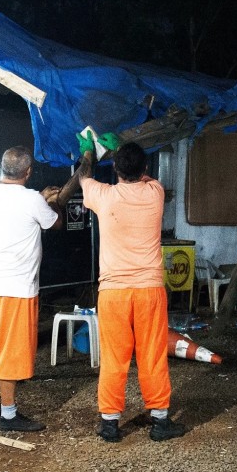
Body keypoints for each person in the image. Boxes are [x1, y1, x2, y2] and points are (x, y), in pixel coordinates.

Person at [77, 136, 186, 443]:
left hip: (113, 292)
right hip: (149, 289)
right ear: (146, 168)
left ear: (114, 168)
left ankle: (110, 423)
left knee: (114, 357)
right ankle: (160, 421)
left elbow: (84, 176)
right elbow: (142, 174)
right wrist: (122, 152)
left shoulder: (103, 195)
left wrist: (89, 152)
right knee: (152, 355)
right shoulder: (155, 192)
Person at [0, 146, 62, 432]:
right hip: (17, 289)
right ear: (28, 172)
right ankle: (9, 415)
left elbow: (15, 204)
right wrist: (52, 202)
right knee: (10, 353)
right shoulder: (31, 200)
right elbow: (55, 223)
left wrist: (38, 198)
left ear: (2, 168)